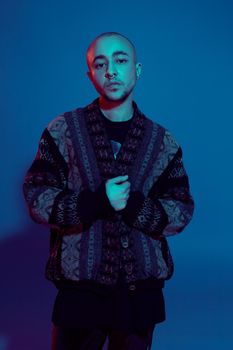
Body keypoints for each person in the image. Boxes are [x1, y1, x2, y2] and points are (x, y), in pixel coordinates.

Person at [23, 32, 195, 350]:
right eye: (100, 64)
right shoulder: (62, 130)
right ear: (91, 75)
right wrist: (96, 201)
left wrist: (135, 206)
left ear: (137, 69)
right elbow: (37, 197)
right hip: (79, 292)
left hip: (140, 294)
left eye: (120, 60)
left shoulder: (163, 141)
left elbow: (181, 209)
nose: (111, 71)